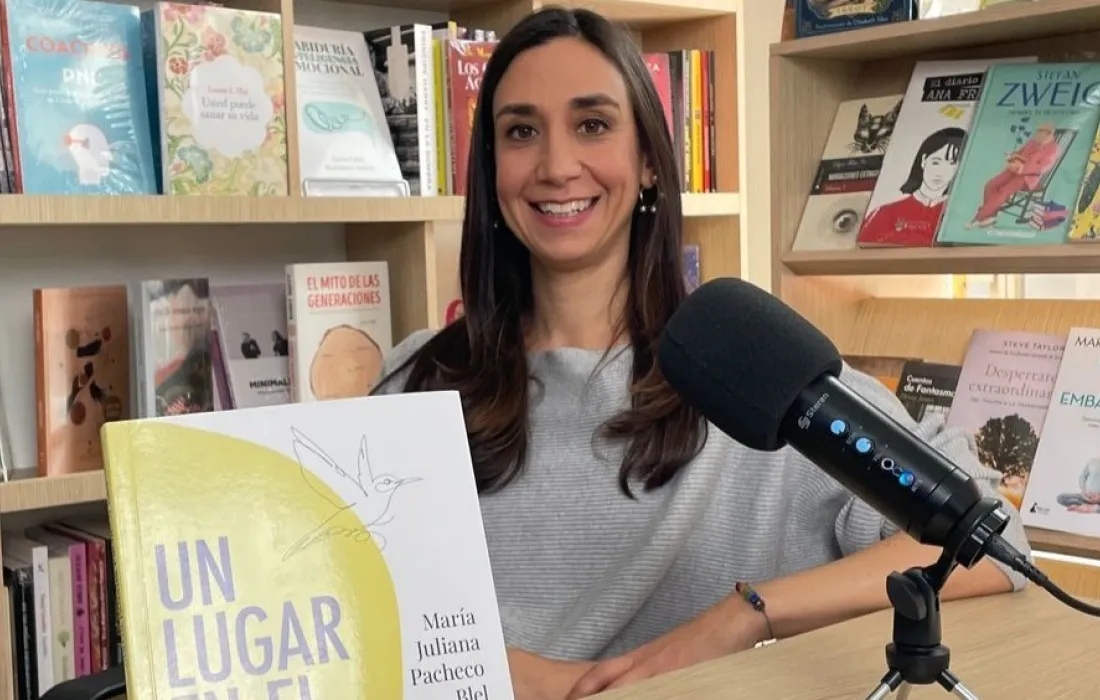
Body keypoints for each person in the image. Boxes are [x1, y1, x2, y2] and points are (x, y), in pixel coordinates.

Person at [371, 7, 1033, 699]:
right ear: (490, 169)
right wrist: (523, 677)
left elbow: (990, 542)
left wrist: (749, 614)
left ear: (649, 161)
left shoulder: (748, 368)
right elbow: (356, 602)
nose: (557, 166)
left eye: (592, 125)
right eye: (521, 131)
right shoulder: (417, 380)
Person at [859, 127, 964, 246]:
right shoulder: (885, 213)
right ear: (923, 160)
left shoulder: (963, 217)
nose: (940, 173)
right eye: (936, 162)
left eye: (951, 164)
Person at [966, 121, 1060, 228]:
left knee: (1003, 191)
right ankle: (990, 216)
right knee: (990, 184)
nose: (1036, 134)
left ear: (1048, 133)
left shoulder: (1053, 149)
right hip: (1013, 170)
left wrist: (1022, 168)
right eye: (1037, 131)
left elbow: (1042, 168)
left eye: (1039, 132)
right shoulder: (1033, 142)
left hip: (1028, 178)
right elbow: (1020, 152)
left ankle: (978, 218)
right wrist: (1013, 156)